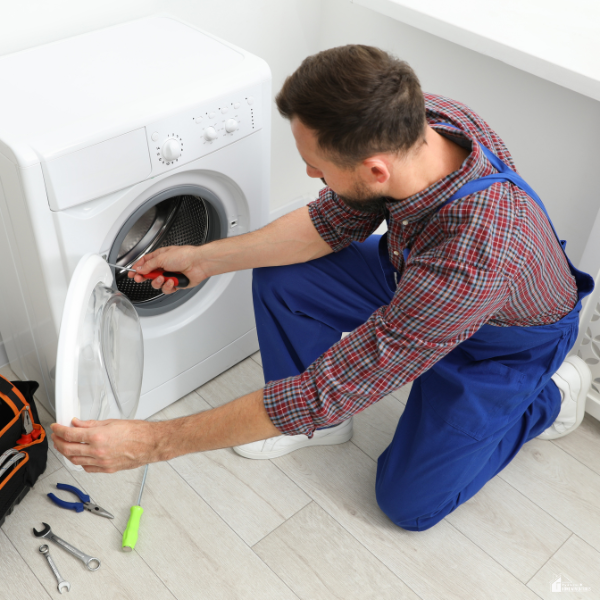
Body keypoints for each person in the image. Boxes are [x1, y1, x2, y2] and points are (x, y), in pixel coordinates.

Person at [52, 45, 593, 531]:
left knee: (408, 504)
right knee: (288, 277)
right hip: (417, 281)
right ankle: (315, 430)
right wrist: (203, 258)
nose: (309, 173)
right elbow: (329, 226)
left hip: (502, 345)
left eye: (316, 165)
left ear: (375, 170)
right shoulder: (422, 122)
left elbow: (328, 387)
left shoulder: (475, 254)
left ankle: (547, 397)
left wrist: (152, 442)